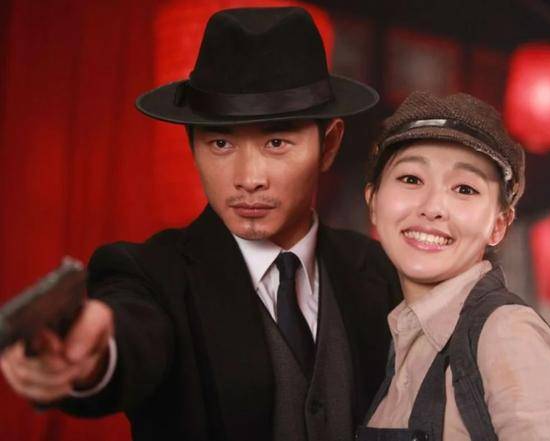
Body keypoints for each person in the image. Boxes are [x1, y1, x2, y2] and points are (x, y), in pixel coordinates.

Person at [0, 7, 401, 441]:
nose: (248, 178)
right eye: (221, 143)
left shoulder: (381, 271)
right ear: (192, 147)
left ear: (329, 145)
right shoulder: (149, 273)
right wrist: (94, 358)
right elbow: (130, 335)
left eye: (276, 142)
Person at [357, 92, 550, 440]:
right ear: (373, 201)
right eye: (411, 179)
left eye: (464, 189)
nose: (432, 207)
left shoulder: (505, 334)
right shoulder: (405, 338)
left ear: (499, 225)